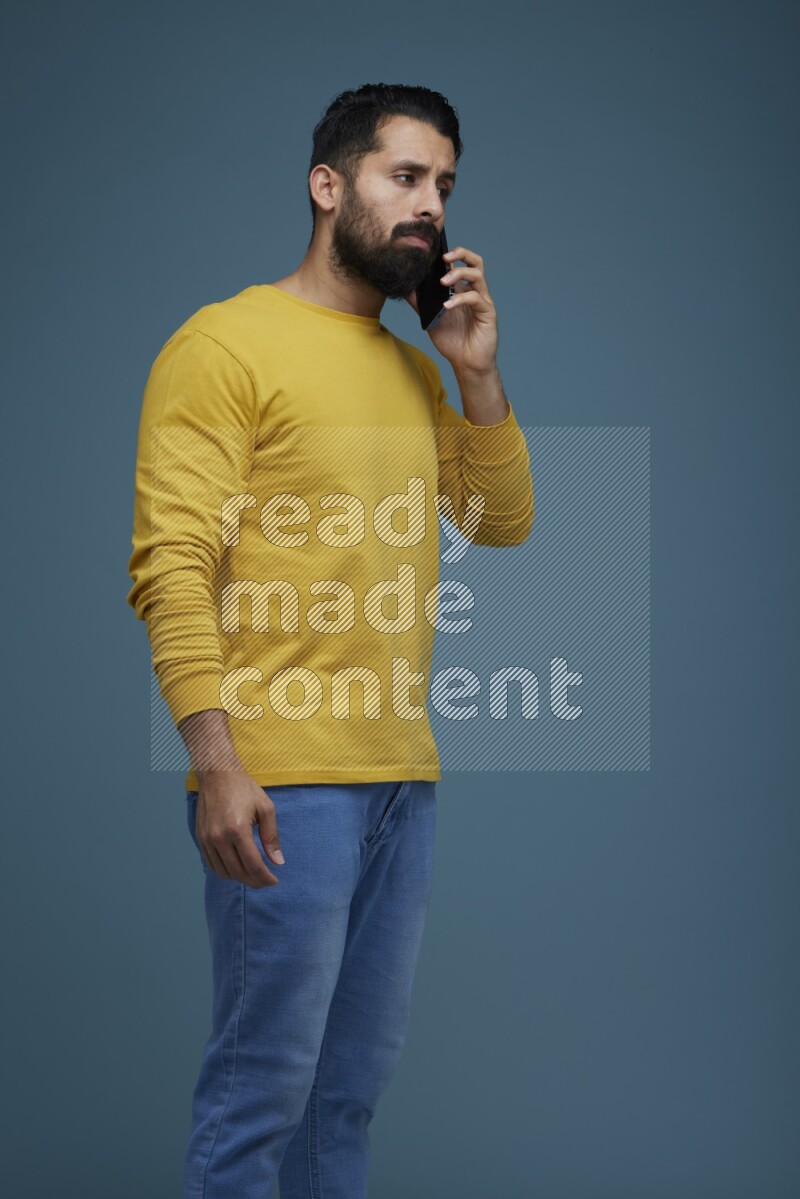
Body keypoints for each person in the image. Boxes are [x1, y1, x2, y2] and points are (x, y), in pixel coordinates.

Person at [126, 82, 534, 1199]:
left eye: (442, 186)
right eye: (404, 176)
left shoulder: (412, 369)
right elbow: (172, 564)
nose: (428, 206)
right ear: (327, 185)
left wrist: (475, 371)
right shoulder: (222, 344)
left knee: (344, 1094)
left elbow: (498, 523)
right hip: (280, 780)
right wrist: (215, 758)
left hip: (399, 778)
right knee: (262, 1091)